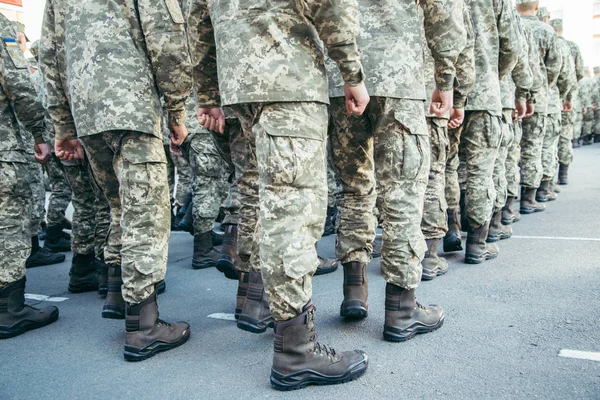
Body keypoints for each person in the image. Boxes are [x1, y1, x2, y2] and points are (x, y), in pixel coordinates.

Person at [189, 0, 370, 390]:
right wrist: (352, 72)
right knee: (291, 207)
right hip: (288, 73)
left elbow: (199, 21)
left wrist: (207, 93)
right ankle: (295, 352)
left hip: (243, 81)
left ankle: (269, 312)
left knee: (269, 201)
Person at [39, 0, 193, 361]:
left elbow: (50, 56)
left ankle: (115, 291)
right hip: (132, 106)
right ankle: (144, 326)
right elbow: (166, 38)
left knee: (120, 206)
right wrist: (176, 110)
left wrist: (63, 126)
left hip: (87, 112)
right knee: (146, 214)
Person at [0, 13, 58, 339]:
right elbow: (18, 85)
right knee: (8, 228)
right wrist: (39, 132)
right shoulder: (3, 27)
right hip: (4, 149)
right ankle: (10, 310)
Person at [457, 0, 522, 264]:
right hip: (482, 94)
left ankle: (446, 232)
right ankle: (476, 242)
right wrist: (492, 75)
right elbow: (511, 45)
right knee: (481, 171)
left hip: (441, 91)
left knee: (442, 169)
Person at [420, 4, 475, 280]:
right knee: (436, 171)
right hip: (426, 90)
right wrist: (457, 96)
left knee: (364, 184)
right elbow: (460, 43)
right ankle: (431, 252)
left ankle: (355, 284)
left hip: (365, 85)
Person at [516, 0, 562, 215]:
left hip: (508, 97)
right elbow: (555, 66)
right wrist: (543, 86)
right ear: (537, 8)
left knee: (508, 151)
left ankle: (504, 208)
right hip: (537, 98)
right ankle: (529, 198)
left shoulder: (511, 22)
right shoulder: (546, 30)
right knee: (533, 148)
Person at [492, 11, 534, 241]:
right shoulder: (505, 8)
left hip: (441, 92)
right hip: (494, 96)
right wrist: (524, 93)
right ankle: (491, 226)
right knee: (496, 164)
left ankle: (455, 225)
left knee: (449, 166)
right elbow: (514, 50)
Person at [535, 15, 576, 203]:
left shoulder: (518, 25)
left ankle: (506, 204)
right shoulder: (557, 40)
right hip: (547, 100)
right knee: (545, 145)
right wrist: (553, 90)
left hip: (511, 98)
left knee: (515, 151)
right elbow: (565, 72)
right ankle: (543, 188)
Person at [551, 19, 584, 186]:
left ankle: (545, 183)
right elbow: (577, 74)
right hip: (563, 99)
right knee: (564, 137)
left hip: (544, 98)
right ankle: (562, 175)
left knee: (544, 141)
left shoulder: (545, 38)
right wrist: (567, 96)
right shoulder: (571, 46)